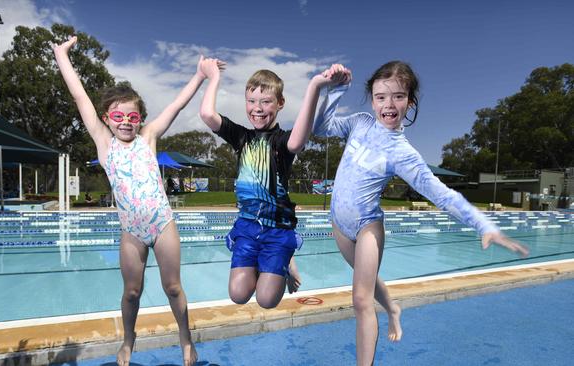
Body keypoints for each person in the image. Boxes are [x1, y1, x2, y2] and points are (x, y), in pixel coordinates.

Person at [312, 62, 530, 365]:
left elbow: (441, 193)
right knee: (371, 283)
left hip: (366, 227)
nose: (389, 105)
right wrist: (336, 90)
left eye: (398, 97)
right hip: (339, 224)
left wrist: (483, 224)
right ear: (372, 99)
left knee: (361, 299)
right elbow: (320, 127)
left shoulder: (403, 153)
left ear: (410, 102)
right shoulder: (360, 123)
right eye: (380, 97)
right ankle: (393, 309)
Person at [53, 36, 221, 366]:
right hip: (131, 231)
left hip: (162, 224)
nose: (126, 123)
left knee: (173, 287)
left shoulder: (149, 137)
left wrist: (200, 76)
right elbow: (79, 96)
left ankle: (186, 340)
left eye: (132, 117)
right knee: (132, 291)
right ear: (106, 118)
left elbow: (176, 106)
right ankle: (128, 342)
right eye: (119, 117)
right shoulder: (103, 142)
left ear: (141, 118)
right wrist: (61, 55)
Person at [198, 59, 344, 309]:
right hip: (247, 225)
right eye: (251, 101)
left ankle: (285, 262)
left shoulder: (281, 141)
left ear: (280, 104)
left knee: (266, 300)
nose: (257, 108)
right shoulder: (242, 137)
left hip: (278, 229)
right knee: (238, 294)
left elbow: (298, 141)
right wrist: (213, 77)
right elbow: (207, 114)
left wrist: (315, 86)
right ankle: (270, 263)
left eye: (266, 102)